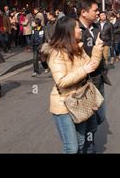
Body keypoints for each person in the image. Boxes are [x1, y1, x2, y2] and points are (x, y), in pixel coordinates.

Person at [40, 17, 104, 153]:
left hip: (79, 100)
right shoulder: (56, 53)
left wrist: (98, 48)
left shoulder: (78, 48)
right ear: (69, 31)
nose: (80, 30)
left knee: (81, 143)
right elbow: (61, 81)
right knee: (72, 148)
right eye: (77, 27)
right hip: (63, 104)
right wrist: (83, 70)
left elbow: (91, 65)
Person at [76, 0, 110, 153]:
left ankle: (88, 143)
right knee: (87, 119)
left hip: (98, 79)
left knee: (100, 116)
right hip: (83, 82)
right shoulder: (75, 30)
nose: (98, 13)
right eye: (95, 10)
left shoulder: (96, 28)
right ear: (84, 12)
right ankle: (88, 147)